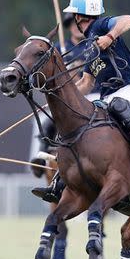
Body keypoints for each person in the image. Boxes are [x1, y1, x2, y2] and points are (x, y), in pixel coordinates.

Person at [31, 0, 130, 202]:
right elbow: (86, 83)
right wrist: (60, 98)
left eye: (75, 17)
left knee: (118, 104)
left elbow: (129, 19)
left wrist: (110, 36)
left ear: (80, 16)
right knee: (77, 125)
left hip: (129, 91)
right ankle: (58, 183)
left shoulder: (101, 25)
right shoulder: (89, 45)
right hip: (105, 99)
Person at [28, 12, 98, 175]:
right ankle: (41, 157)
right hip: (68, 98)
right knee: (47, 121)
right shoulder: (59, 49)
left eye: (79, 24)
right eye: (73, 24)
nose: (77, 27)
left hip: (93, 94)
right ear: (69, 27)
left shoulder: (92, 46)